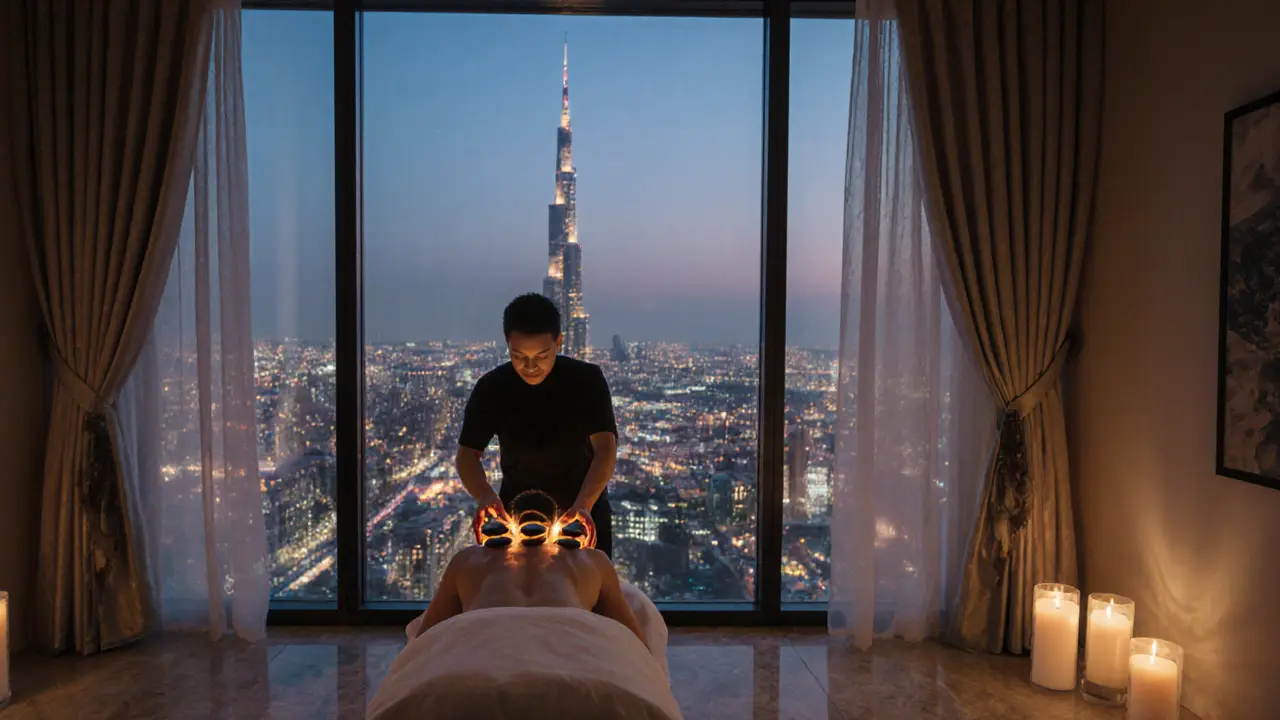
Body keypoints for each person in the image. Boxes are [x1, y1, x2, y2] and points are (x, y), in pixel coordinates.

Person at [457, 293, 619, 556]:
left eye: (542, 356)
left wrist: (584, 505)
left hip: (582, 515)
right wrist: (485, 496)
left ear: (559, 342)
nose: (530, 366)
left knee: (588, 593)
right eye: (518, 356)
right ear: (507, 345)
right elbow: (467, 454)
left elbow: (606, 448)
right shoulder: (492, 387)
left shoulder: (586, 380)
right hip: (517, 517)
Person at [414, 490, 645, 648]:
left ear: (508, 527)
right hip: (573, 647)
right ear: (557, 528)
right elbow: (636, 642)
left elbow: (423, 639)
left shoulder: (467, 560)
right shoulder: (592, 560)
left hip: (479, 648)